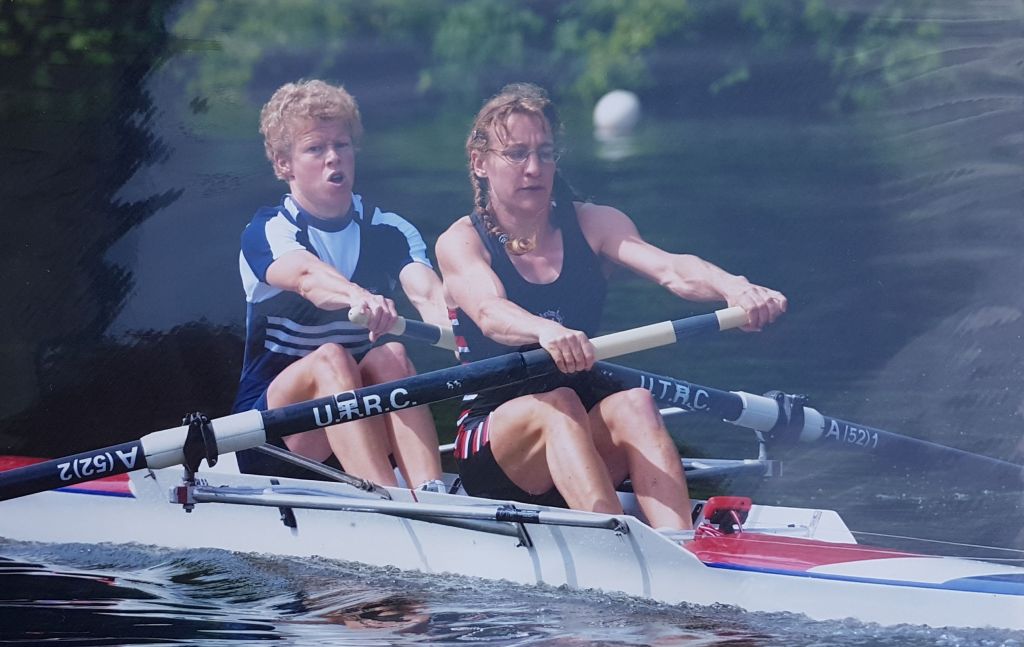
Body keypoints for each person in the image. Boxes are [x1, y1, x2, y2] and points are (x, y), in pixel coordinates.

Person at [435, 83, 787, 530]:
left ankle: (678, 544)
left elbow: (673, 269)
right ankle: (614, 547)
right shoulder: (461, 242)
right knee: (558, 402)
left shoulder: (594, 223)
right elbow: (488, 311)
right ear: (480, 163)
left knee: (635, 402)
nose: (534, 168)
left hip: (579, 430)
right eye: (517, 154)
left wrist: (734, 287)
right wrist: (544, 330)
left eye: (545, 153)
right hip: (494, 447)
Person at [232, 79, 446, 491]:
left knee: (393, 356)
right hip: (272, 439)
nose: (334, 158)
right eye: (315, 149)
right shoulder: (268, 231)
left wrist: (479, 332)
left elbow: (431, 297)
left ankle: (432, 495)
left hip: (355, 425)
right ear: (283, 164)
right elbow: (308, 278)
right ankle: (388, 502)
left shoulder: (390, 231)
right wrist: (358, 296)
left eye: (342, 146)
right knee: (332, 358)